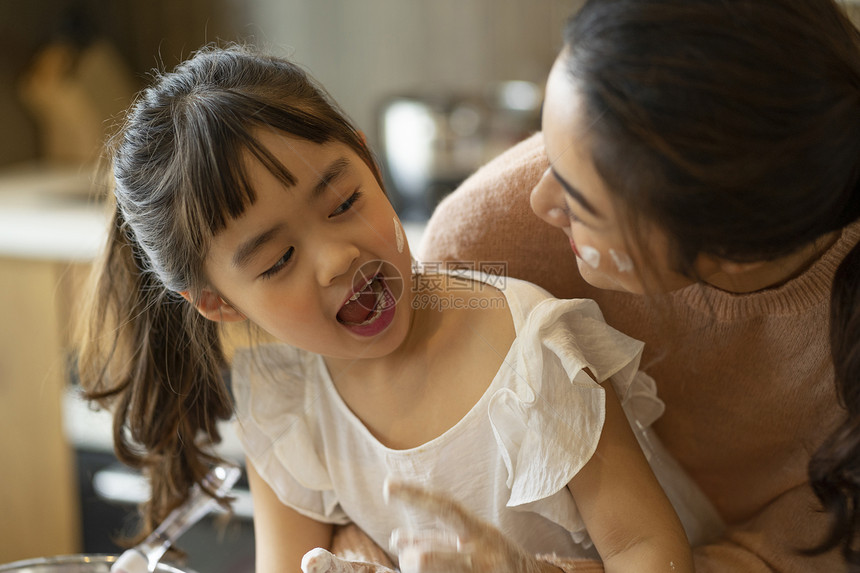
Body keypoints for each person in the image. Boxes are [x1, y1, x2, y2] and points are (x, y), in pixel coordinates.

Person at [74, 44, 724, 573]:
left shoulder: (526, 349)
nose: (334, 259)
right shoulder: (287, 402)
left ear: (372, 164)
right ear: (216, 302)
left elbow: (653, 553)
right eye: (277, 261)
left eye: (343, 202)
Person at [311, 0, 860, 571]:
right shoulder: (488, 242)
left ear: (735, 251)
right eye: (545, 146)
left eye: (580, 199)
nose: (539, 199)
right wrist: (360, 527)